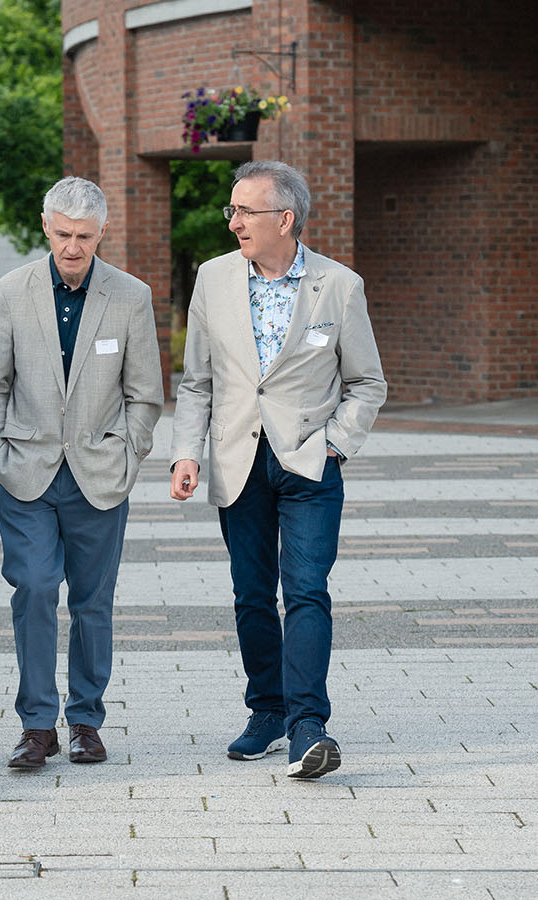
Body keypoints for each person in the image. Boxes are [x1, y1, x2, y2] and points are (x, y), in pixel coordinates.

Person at [169, 161, 387, 779]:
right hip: (238, 461)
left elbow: (367, 383)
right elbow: (197, 382)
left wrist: (334, 445)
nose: (234, 222)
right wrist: (187, 453)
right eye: (232, 210)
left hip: (309, 464)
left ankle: (308, 726)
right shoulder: (213, 279)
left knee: (307, 590)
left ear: (285, 219)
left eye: (245, 211)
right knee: (251, 595)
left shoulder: (338, 286)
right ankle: (266, 709)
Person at [0, 176, 163, 770]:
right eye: (62, 235)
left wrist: (128, 453)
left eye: (83, 236)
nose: (72, 247)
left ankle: (85, 721)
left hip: (99, 475)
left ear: (102, 232)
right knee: (33, 589)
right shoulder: (10, 291)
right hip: (26, 473)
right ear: (46, 227)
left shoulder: (130, 296)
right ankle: (37, 726)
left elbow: (145, 394)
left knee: (92, 602)